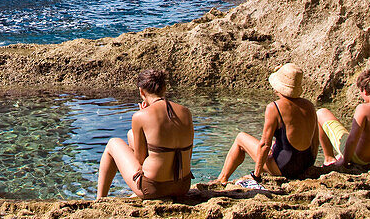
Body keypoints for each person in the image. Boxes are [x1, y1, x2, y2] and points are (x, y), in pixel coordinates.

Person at [97, 69, 194, 200]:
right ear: (164, 88)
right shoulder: (186, 112)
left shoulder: (140, 116)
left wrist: (143, 115)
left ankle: (99, 199)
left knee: (113, 144)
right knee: (131, 134)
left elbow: (139, 159)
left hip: (153, 189)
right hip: (183, 186)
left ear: (141, 91)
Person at [215, 63, 318, 186]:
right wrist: (308, 167)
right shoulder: (309, 106)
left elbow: (265, 144)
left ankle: (222, 178)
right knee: (277, 144)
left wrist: (256, 175)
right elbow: (315, 141)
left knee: (240, 138)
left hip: (284, 168)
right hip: (305, 163)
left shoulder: (274, 107)